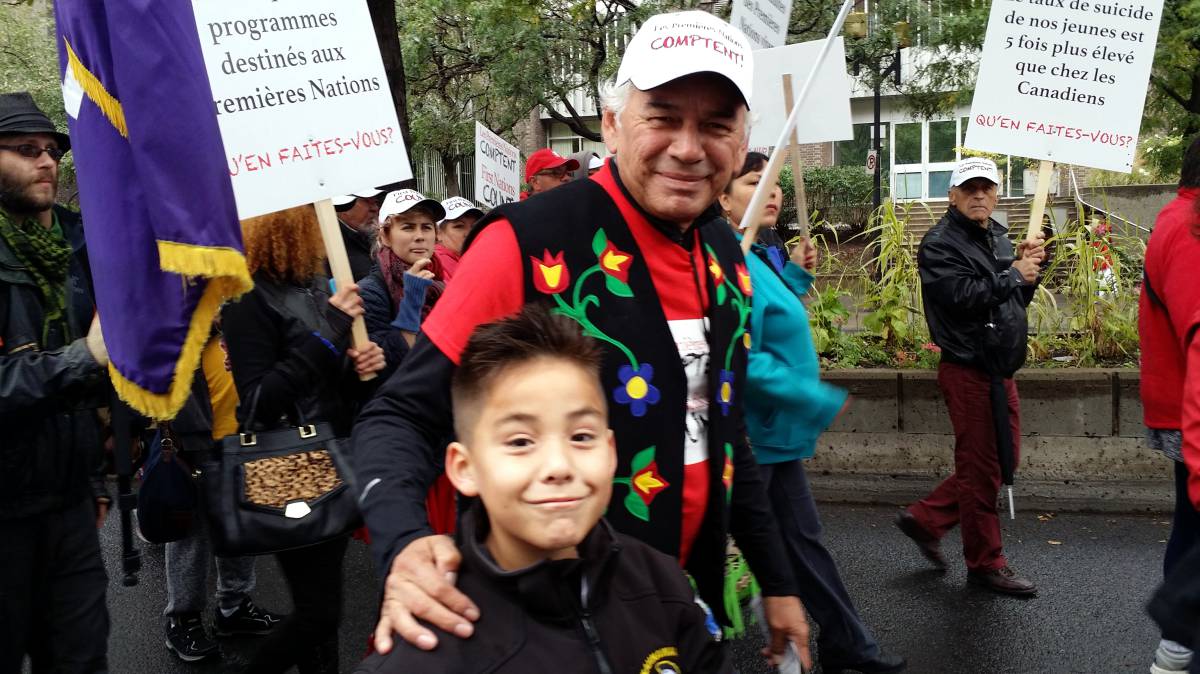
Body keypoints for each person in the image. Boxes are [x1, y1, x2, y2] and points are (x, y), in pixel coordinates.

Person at [353, 10, 813, 670]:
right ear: (612, 123)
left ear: (743, 142)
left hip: (685, 615)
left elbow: (724, 426)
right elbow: (399, 413)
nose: (689, 146)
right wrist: (404, 544)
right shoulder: (523, 241)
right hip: (549, 628)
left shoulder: (724, 253)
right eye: (663, 116)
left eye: (716, 124)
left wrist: (779, 580)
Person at [355, 306, 732, 673]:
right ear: (465, 469)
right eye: (520, 442)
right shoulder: (426, 654)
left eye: (581, 436)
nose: (558, 466)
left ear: (611, 450)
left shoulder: (659, 581)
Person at [718, 152, 906, 674]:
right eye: (756, 182)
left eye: (775, 183)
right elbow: (741, 355)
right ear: (723, 197)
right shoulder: (730, 261)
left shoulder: (755, 255)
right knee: (774, 549)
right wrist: (813, 396)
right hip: (760, 432)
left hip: (774, 433)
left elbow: (771, 321)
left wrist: (797, 279)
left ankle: (844, 645)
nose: (772, 192)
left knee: (799, 545)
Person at [221, 204, 386, 673]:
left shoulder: (312, 285)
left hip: (333, 459)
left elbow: (326, 379)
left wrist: (360, 369)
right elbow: (256, 404)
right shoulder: (247, 297)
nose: (324, 227)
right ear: (286, 223)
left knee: (323, 613)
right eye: (313, 218)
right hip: (287, 469)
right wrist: (330, 333)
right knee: (318, 614)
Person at [895, 157, 1045, 596]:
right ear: (953, 194)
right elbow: (962, 297)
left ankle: (926, 519)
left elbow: (1011, 298)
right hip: (967, 367)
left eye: (987, 188)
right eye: (970, 188)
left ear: (997, 194)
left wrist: (1027, 271)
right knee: (981, 470)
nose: (980, 195)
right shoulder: (939, 243)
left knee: (1003, 460)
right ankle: (985, 563)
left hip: (999, 366)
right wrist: (1012, 275)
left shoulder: (997, 236)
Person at [0, 91, 112, 674]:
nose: (46, 162)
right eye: (24, 150)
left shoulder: (70, 249)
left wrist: (94, 475)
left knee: (80, 658)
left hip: (67, 503)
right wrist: (81, 357)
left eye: (51, 151)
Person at [161, 326, 281, 663]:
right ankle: (182, 617)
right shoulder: (180, 283)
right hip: (198, 424)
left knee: (242, 519)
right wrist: (210, 318)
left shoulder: (239, 280)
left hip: (243, 422)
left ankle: (234, 606)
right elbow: (162, 340)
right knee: (192, 529)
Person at [1140, 134, 1200, 674]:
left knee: (1191, 526)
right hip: (1191, 412)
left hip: (1182, 409)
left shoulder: (1177, 218)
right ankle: (1180, 642)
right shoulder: (1188, 229)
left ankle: (1177, 644)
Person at [360, 189, 448, 371]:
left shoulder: (441, 285)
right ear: (385, 236)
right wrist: (411, 304)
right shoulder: (369, 292)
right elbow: (382, 370)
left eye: (426, 227)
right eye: (408, 227)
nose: (419, 236)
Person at [334, 189, 383, 281]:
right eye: (367, 201)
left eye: (375, 202)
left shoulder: (376, 238)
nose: (375, 208)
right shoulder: (330, 248)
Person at [434, 196, 483, 281]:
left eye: (474, 226)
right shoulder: (437, 264)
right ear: (438, 233)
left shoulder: (473, 260)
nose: (469, 233)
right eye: (459, 226)